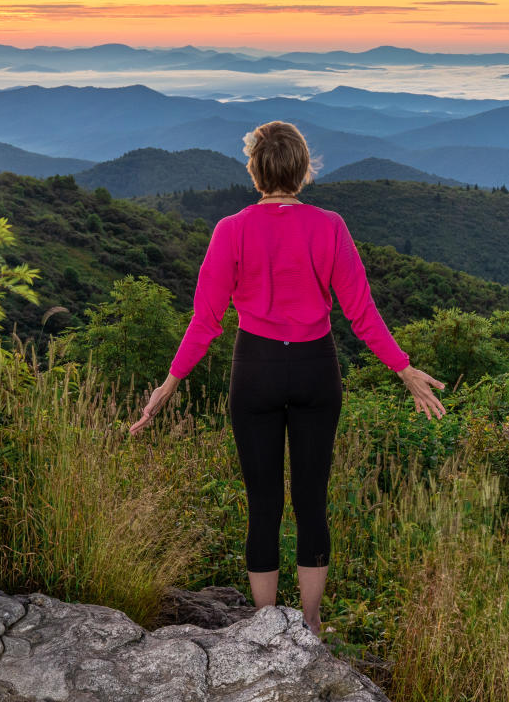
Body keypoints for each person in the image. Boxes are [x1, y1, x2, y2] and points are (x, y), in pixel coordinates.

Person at [128, 120, 446, 637]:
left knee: (264, 504)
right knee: (311, 501)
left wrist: (170, 383)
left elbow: (205, 320)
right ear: (302, 171)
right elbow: (361, 313)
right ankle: (312, 625)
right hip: (316, 368)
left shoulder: (230, 230)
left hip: (254, 369)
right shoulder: (330, 227)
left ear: (255, 171)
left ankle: (266, 626)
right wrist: (403, 368)